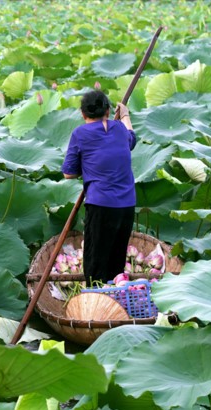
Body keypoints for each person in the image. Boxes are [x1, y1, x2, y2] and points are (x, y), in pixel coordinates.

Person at [61, 90, 136, 284]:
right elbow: (131, 138)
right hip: (127, 205)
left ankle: (96, 304)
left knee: (95, 266)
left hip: (101, 205)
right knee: (116, 263)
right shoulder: (119, 129)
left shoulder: (80, 133)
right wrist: (126, 115)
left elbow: (68, 173)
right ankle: (115, 303)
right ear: (108, 111)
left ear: (83, 114)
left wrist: (87, 166)